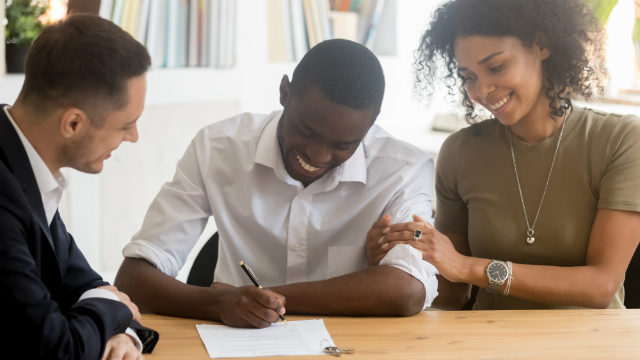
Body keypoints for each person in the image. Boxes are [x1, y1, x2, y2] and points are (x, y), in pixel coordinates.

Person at [115, 39, 439, 328]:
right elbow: (135, 278)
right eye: (308, 132)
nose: (319, 155)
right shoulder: (217, 148)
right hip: (233, 342)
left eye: (343, 145)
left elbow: (407, 290)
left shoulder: (404, 170)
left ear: (371, 123)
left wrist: (259, 299)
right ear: (285, 93)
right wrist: (219, 304)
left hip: (349, 343)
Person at [370, 0, 640, 310]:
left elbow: (600, 286)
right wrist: (400, 257)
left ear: (541, 45)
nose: (482, 90)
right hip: (489, 343)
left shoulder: (619, 140)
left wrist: (470, 267)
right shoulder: (460, 153)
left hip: (593, 347)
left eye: (496, 67)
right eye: (469, 77)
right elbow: (452, 295)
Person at [0, 15, 158, 359]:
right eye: (126, 125)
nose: (134, 137)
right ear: (73, 123)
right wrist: (110, 308)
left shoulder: (23, 164)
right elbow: (59, 347)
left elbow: (87, 286)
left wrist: (126, 334)